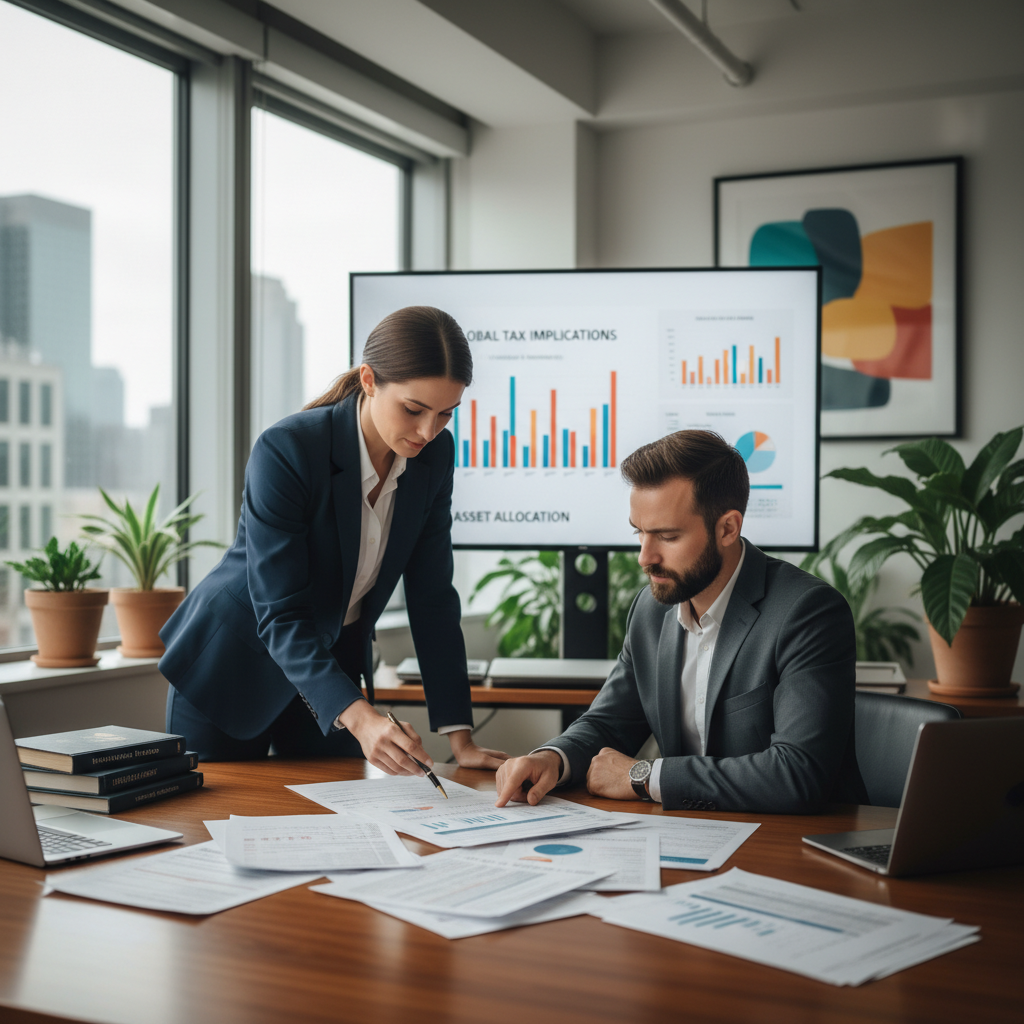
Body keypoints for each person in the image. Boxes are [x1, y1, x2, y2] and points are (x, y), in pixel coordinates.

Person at [160, 306, 507, 775]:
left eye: (446, 414)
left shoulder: (434, 457)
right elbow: (281, 614)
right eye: (413, 409)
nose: (429, 431)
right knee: (217, 833)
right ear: (368, 379)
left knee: (338, 834)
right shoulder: (287, 450)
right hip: (233, 670)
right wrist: (362, 718)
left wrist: (460, 738)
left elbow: (432, 598)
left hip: (330, 673)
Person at [495, 430, 866, 814]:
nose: (645, 557)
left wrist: (644, 777)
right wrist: (552, 759)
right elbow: (609, 723)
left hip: (800, 844)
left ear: (727, 528)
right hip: (691, 833)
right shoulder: (651, 610)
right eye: (639, 533)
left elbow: (798, 773)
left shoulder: (807, 612)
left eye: (667, 536)